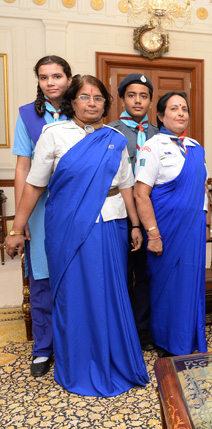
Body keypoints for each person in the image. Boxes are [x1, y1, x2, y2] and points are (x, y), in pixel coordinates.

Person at [6, 75, 149, 397]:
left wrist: (136, 225)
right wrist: (17, 227)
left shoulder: (114, 138)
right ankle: (79, 362)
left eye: (98, 98)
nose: (92, 103)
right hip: (68, 227)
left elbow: (126, 185)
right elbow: (34, 184)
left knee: (111, 292)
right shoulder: (53, 134)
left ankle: (114, 358)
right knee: (75, 294)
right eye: (85, 97)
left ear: (105, 104)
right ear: (72, 101)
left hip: (111, 226)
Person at [134, 91, 209, 358]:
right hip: (165, 230)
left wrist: (206, 223)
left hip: (193, 229)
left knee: (190, 283)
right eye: (174, 109)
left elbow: (201, 189)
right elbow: (141, 193)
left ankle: (188, 337)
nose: (180, 113)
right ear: (161, 115)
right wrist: (153, 234)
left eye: (184, 109)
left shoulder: (195, 147)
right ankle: (166, 341)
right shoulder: (152, 147)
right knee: (166, 286)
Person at [12, 55, 72, 377]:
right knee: (42, 278)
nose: (51, 83)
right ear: (38, 81)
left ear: (68, 78)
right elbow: (23, 166)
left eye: (57, 76)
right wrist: (22, 217)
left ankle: (71, 341)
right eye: (44, 77)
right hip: (40, 207)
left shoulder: (82, 109)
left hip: (76, 206)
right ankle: (43, 347)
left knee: (75, 276)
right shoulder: (28, 115)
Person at [108, 73, 159, 351]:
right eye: (131, 95)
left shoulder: (158, 134)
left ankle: (144, 331)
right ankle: (122, 332)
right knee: (121, 273)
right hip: (121, 215)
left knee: (147, 274)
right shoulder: (110, 132)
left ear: (151, 101)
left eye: (143, 95)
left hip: (151, 214)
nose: (138, 100)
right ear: (122, 99)